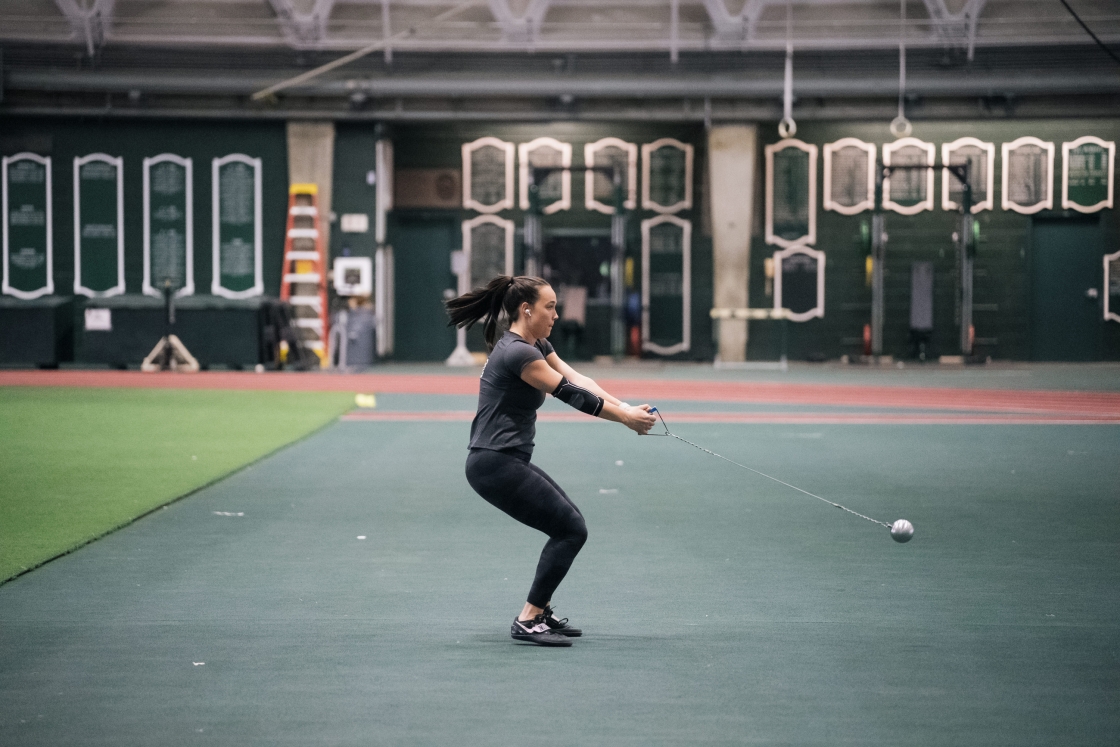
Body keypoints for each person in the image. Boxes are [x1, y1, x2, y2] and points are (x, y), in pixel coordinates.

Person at [446, 275, 657, 647]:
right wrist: (624, 420)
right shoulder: (518, 353)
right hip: (493, 464)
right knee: (571, 529)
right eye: (550, 307)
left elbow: (577, 376)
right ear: (526, 311)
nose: (556, 314)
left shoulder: (535, 343)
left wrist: (624, 406)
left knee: (569, 525)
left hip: (505, 461)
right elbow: (570, 394)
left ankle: (538, 610)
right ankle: (529, 618)